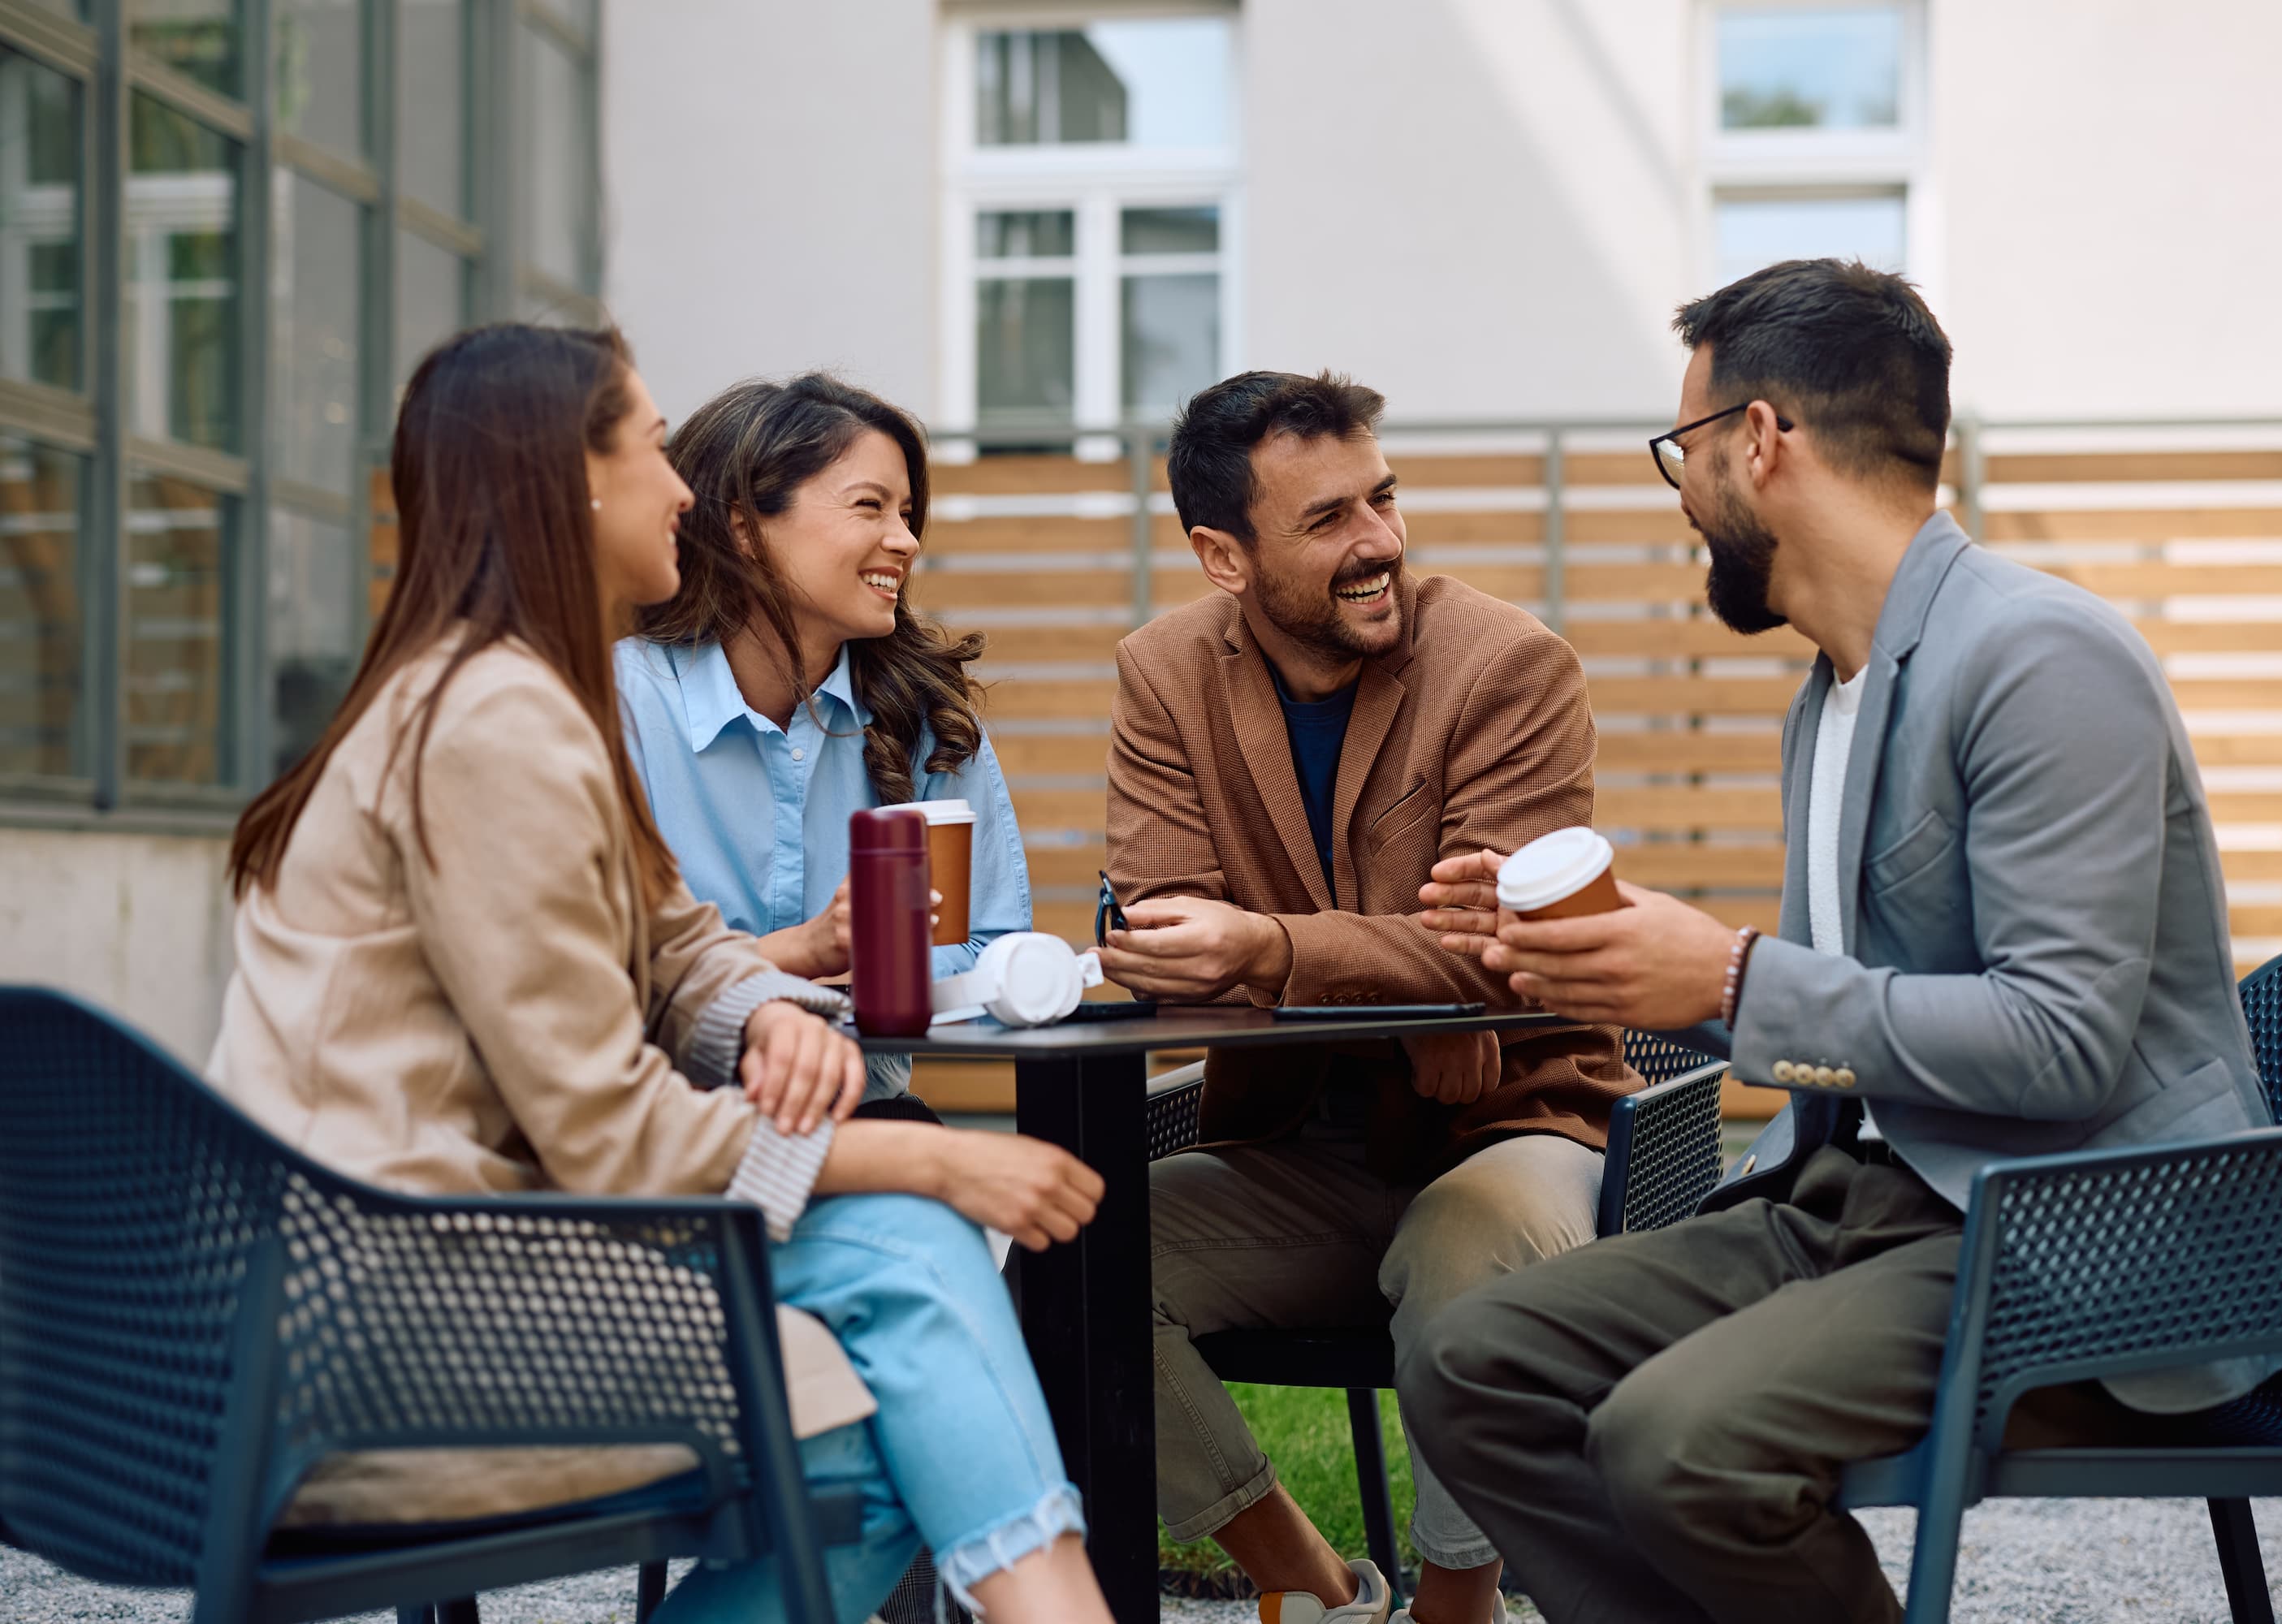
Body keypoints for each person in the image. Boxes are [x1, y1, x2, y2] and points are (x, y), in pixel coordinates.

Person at [1399, 259, 2277, 1624]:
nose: (1681, 493)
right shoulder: (1833, 694)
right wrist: (1609, 961)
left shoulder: (2042, 659)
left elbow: (2064, 1047)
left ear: (1759, 440)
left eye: (1684, 451)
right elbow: (1839, 1015)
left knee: (1677, 1440)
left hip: (2067, 1227)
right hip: (1865, 1197)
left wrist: (1735, 974)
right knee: (1471, 1360)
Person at [205, 323, 1113, 1624]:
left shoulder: (518, 695)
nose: (682, 489)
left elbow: (671, 939)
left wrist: (770, 1013)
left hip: (495, 1242)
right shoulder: (493, 724)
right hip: (415, 1299)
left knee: (880, 1422)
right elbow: (608, 1125)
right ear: (566, 480)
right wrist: (929, 1157)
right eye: (648, 448)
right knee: (911, 1246)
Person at [1095, 369, 1639, 1624]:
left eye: (1382, 499)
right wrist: (1413, 1007)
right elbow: (1171, 933)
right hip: (1301, 1143)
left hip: (1519, 1123)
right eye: (1329, 519)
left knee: (1470, 1241)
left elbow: (1500, 955)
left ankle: (1459, 1605)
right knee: (1068, 1250)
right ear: (1223, 558)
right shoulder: (1163, 675)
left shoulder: (1508, 664)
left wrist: (1276, 952)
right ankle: (1315, 1587)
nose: (1379, 542)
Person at [617, 371, 1030, 1104]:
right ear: (744, 527)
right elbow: (597, 981)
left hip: (865, 1113)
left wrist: (873, 974)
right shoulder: (621, 707)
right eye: (869, 506)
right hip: (662, 1134)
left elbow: (990, 951)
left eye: (907, 513)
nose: (904, 540)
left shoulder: (924, 716)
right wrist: (805, 956)